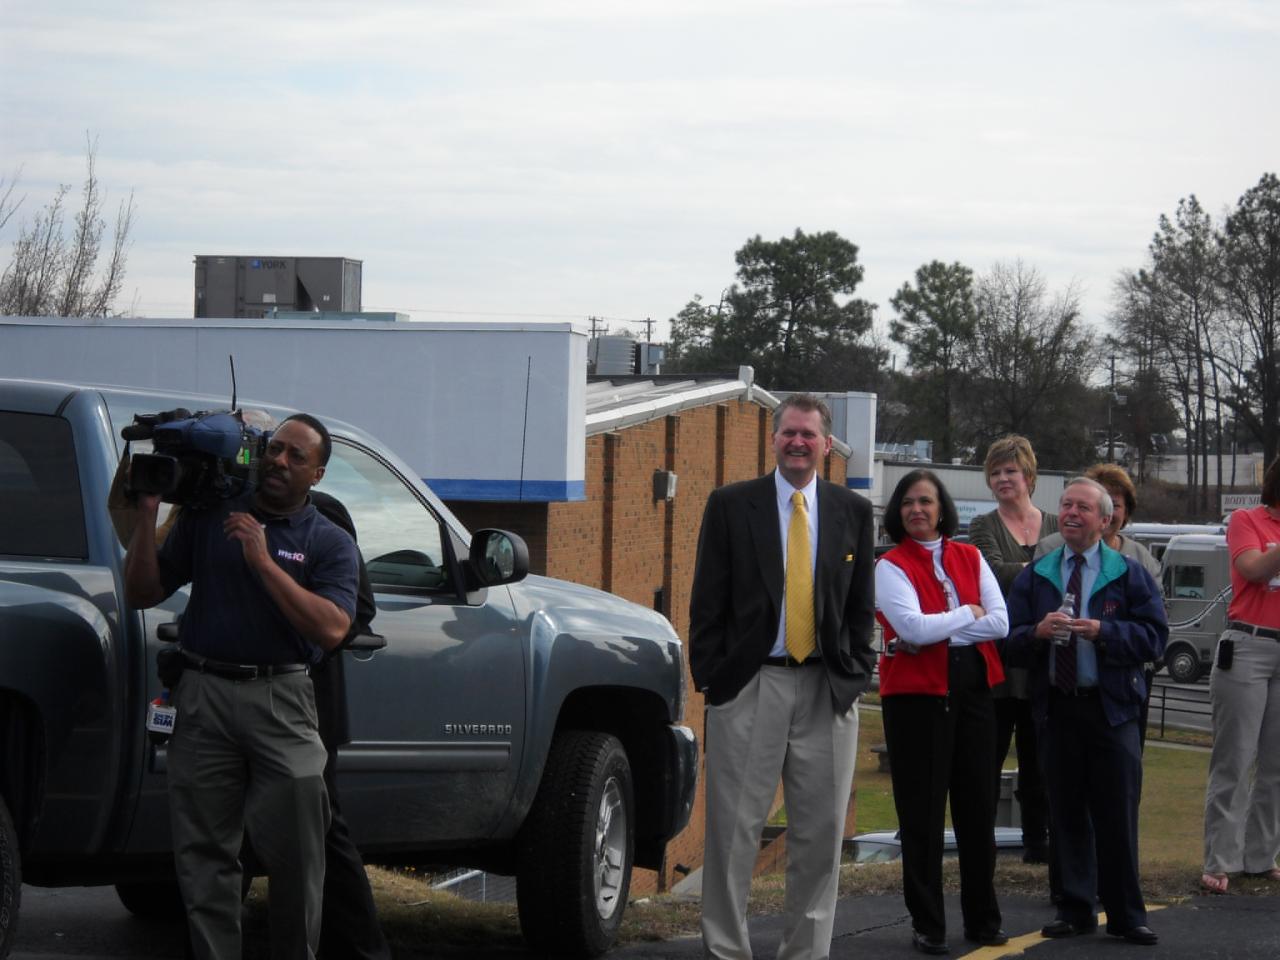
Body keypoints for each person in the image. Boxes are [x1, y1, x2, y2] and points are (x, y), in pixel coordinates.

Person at [124, 413, 360, 959]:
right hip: (203, 693)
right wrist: (148, 512)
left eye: (296, 456)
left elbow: (331, 629)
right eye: (274, 448)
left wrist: (262, 560)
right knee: (204, 856)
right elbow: (142, 592)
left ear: (317, 474)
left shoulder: (329, 540)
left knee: (299, 856)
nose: (279, 461)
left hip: (282, 700)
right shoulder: (212, 517)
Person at [690, 393, 876, 960]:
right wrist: (716, 681)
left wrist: (856, 672)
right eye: (789, 433)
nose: (798, 442)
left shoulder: (852, 511)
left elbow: (860, 606)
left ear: (827, 445)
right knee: (733, 833)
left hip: (827, 688)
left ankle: (806, 953)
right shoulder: (731, 505)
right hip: (751, 686)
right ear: (773, 439)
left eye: (808, 434)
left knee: (820, 838)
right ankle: (726, 950)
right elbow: (707, 601)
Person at [1005, 477, 1167, 946]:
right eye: (1066, 506)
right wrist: (1036, 633)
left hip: (1111, 709)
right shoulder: (1037, 574)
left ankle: (1126, 915)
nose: (1072, 514)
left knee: (1117, 812)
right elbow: (1007, 641)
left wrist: (1105, 632)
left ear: (1105, 519)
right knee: (1066, 812)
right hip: (1058, 708)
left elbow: (1155, 637)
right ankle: (1074, 908)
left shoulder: (1127, 573)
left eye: (1083, 508)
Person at [875, 470, 1009, 955]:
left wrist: (939, 629)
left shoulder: (971, 556)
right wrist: (968, 614)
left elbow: (1001, 623)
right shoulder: (889, 566)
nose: (917, 510)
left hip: (974, 691)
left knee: (978, 811)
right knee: (922, 815)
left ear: (941, 508)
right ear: (898, 511)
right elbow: (910, 627)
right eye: (908, 502)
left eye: (926, 501)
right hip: (915, 700)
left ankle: (983, 920)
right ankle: (928, 924)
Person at [966, 435, 1055, 865]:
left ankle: (1038, 843)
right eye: (996, 473)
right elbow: (991, 572)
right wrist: (1044, 569)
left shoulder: (1055, 522)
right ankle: (979, 845)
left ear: (1029, 476)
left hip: (1045, 661)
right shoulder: (983, 526)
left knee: (1040, 760)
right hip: (998, 661)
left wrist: (1021, 571)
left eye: (1011, 471)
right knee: (988, 756)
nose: (1003, 479)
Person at [1037, 463, 1162, 751]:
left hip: (1120, 687)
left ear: (1122, 513)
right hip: (1059, 693)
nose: (1107, 509)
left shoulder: (1138, 560)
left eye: (1115, 504)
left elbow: (1155, 628)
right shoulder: (1049, 550)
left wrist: (1106, 632)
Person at [1200, 455, 1280, 895]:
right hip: (1249, 645)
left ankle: (1261, 856)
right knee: (1235, 757)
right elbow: (1253, 569)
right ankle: (1221, 859)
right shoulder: (1247, 520)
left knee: (1276, 763)